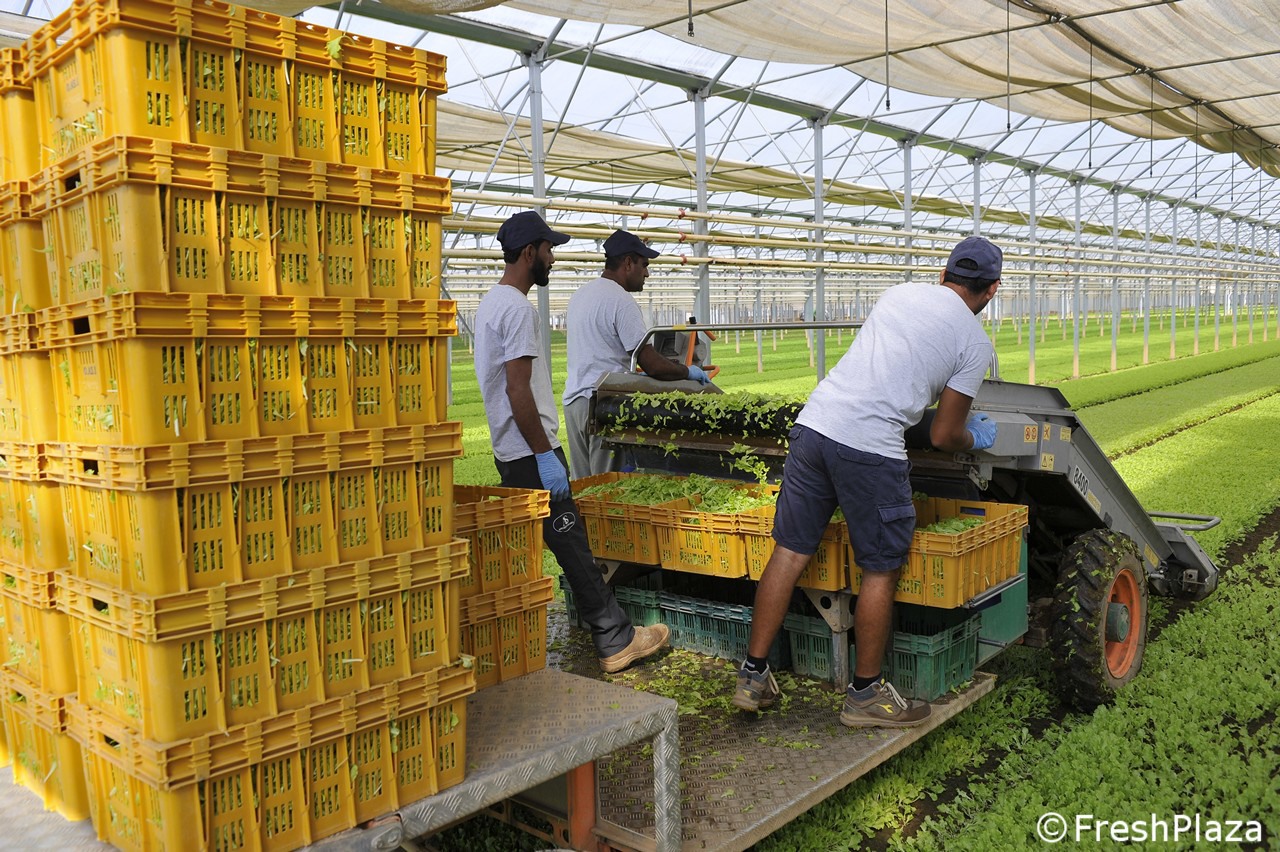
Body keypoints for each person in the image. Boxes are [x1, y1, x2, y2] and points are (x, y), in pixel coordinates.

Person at [731, 235, 1003, 727]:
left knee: (789, 552)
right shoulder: (974, 342)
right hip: (870, 449)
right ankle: (865, 694)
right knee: (879, 569)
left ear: (944, 274)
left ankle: (752, 675)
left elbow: (885, 371)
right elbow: (943, 434)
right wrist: (973, 437)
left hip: (815, 426)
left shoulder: (898, 294)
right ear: (992, 290)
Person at [473, 211, 671, 673]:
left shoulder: (491, 303)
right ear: (529, 253)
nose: (553, 258)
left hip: (511, 450)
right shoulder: (517, 309)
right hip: (530, 450)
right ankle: (616, 639)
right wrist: (545, 455)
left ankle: (568, 635)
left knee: (552, 546)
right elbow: (517, 390)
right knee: (573, 547)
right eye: (549, 250)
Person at [562, 229, 712, 480]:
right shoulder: (620, 300)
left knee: (583, 485)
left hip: (574, 403)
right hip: (602, 405)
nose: (647, 273)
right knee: (607, 485)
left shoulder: (581, 295)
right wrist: (688, 372)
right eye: (644, 265)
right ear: (628, 263)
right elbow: (652, 364)